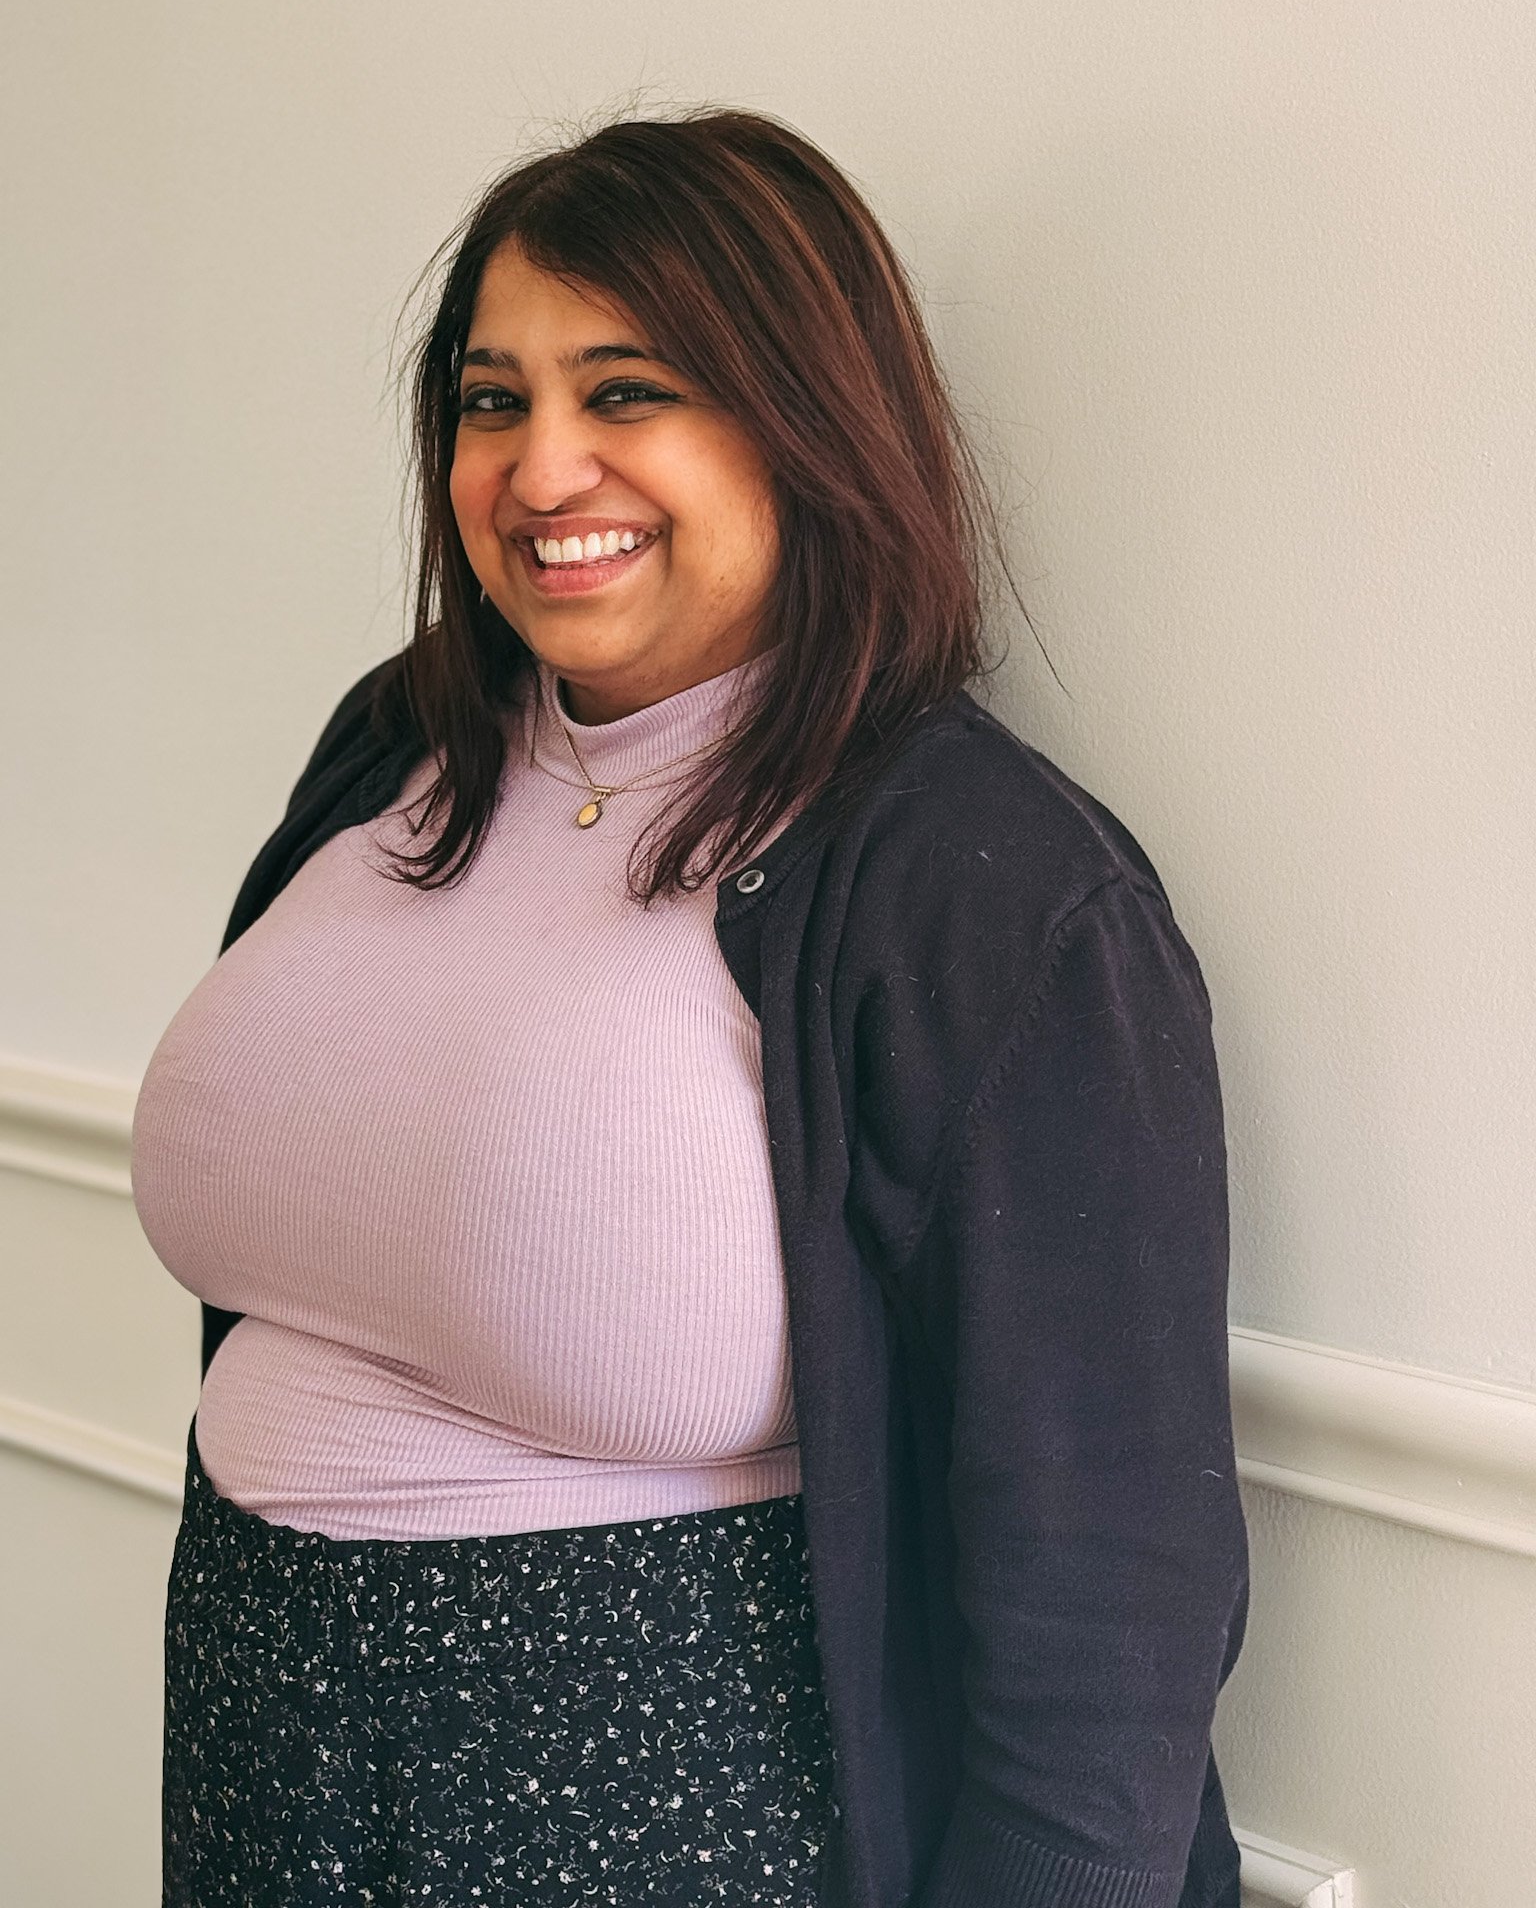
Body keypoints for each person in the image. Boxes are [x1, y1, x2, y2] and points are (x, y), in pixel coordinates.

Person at [131, 107, 1250, 1908]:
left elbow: (1109, 1588)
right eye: (494, 402)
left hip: (673, 1820)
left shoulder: (986, 884)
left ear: (804, 426)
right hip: (267, 1763)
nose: (541, 468)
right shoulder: (395, 746)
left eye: (627, 391)